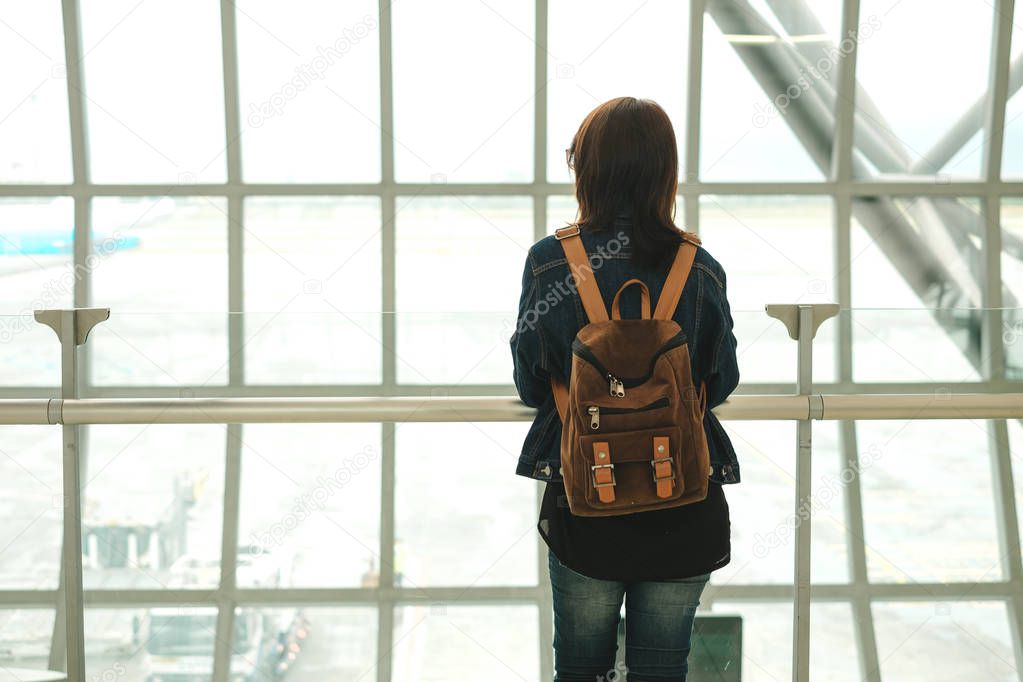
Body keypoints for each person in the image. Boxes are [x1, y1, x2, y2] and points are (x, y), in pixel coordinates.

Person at [510, 96, 741, 681]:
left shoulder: (551, 263)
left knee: (582, 670)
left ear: (586, 170)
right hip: (682, 500)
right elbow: (721, 380)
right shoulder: (699, 265)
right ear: (667, 172)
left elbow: (532, 382)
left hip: (588, 501)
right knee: (663, 670)